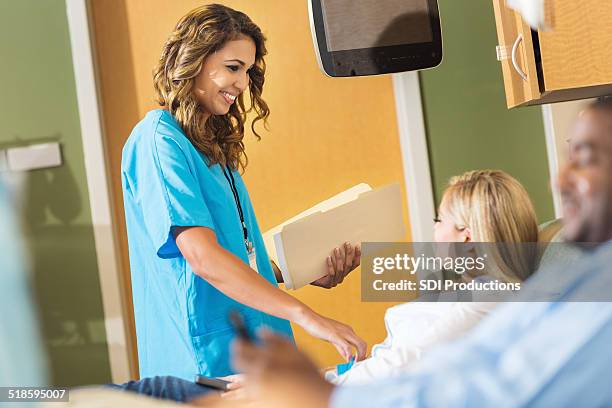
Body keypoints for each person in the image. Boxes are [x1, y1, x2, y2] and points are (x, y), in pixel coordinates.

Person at [198, 96, 612, 407]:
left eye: (587, 158)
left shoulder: (499, 300)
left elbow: (440, 379)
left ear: (468, 235)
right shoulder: (529, 290)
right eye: (568, 155)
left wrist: (314, 390)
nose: (560, 179)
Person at [121, 4, 365, 381]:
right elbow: (201, 258)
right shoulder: (158, 139)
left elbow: (240, 254)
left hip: (257, 349)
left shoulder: (212, 144)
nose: (241, 83)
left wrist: (296, 269)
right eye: (233, 67)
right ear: (194, 60)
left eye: (248, 71)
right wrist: (305, 315)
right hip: (206, 361)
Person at [325, 170, 539, 385]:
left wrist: (328, 386)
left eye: (439, 220)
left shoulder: (490, 297)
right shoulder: (481, 292)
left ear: (467, 236)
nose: (435, 227)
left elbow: (406, 362)